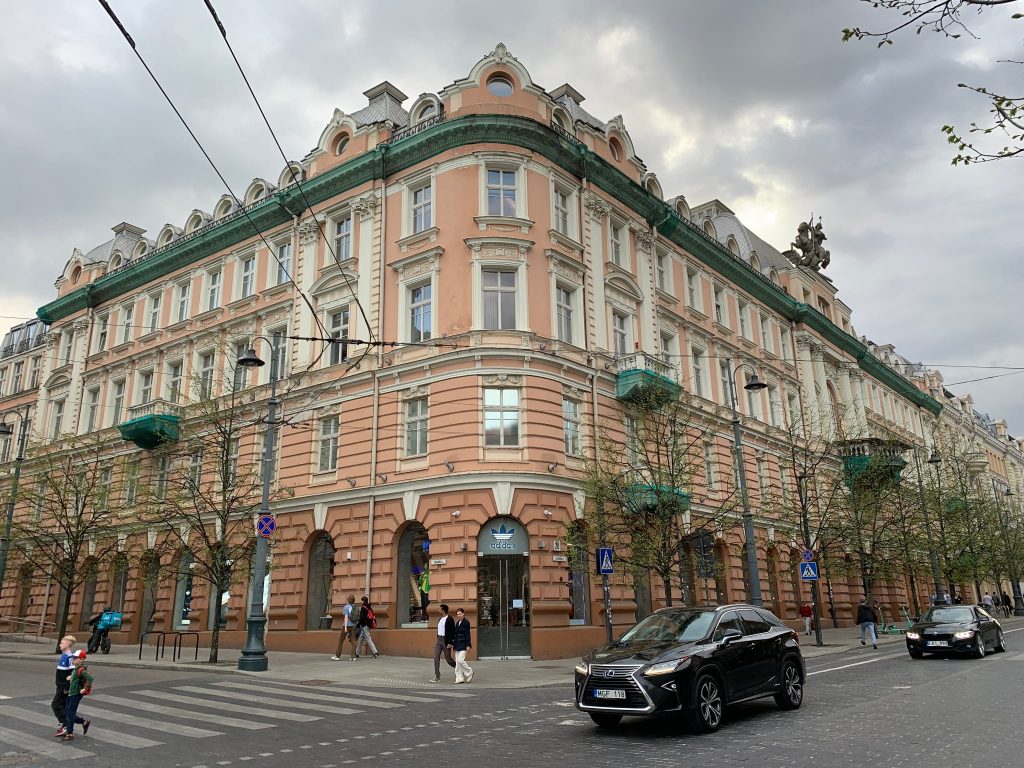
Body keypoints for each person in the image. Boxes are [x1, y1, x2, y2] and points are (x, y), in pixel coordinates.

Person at [61, 650, 92, 741]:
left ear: (82, 659)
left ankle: (70, 733)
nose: (73, 660)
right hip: (71, 693)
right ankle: (84, 722)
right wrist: (71, 677)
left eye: (75, 658)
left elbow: (90, 678)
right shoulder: (76, 669)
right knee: (66, 712)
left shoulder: (81, 670)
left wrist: (85, 689)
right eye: (73, 658)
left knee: (70, 714)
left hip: (76, 694)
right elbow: (75, 678)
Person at [51, 635, 76, 737]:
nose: (60, 645)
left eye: (62, 643)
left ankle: (65, 724)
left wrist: (66, 688)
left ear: (68, 644)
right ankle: (68, 726)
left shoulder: (70, 657)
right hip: (60, 685)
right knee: (63, 706)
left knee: (55, 705)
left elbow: (72, 674)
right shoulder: (64, 656)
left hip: (63, 687)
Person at [431, 604, 456, 682]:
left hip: (446, 640)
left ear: (443, 610)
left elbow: (452, 631)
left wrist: (450, 642)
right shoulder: (440, 619)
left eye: (440, 609)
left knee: (448, 659)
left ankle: (459, 668)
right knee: (436, 657)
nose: (438, 610)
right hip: (439, 639)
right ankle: (437, 676)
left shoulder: (450, 619)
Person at [332, 594, 358, 661]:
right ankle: (353, 657)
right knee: (353, 641)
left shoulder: (346, 607)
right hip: (353, 626)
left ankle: (337, 656)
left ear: (348, 600)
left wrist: (345, 627)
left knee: (341, 640)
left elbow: (346, 617)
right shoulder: (355, 607)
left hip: (346, 625)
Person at [452, 608, 473, 684]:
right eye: (457, 614)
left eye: (460, 614)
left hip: (464, 644)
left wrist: (468, 645)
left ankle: (469, 672)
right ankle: (459, 678)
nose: (459, 615)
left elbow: (467, 634)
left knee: (460, 660)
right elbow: (455, 635)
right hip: (457, 644)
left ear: (463, 614)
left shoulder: (466, 622)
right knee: (457, 663)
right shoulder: (457, 623)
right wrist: (453, 645)